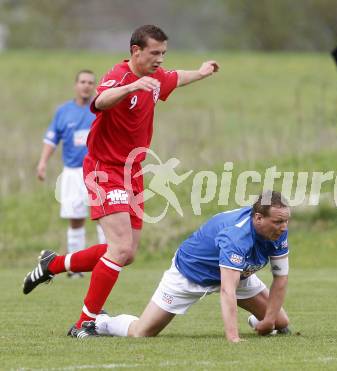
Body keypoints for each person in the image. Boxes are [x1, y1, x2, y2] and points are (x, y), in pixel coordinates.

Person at [23, 24, 219, 339]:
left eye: (163, 53)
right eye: (155, 53)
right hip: (105, 170)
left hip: (133, 172)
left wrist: (200, 72)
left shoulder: (155, 77)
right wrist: (131, 87)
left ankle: (53, 264)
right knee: (120, 247)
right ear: (135, 51)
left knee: (126, 253)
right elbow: (100, 101)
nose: (160, 60)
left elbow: (173, 79)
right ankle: (84, 322)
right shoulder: (119, 76)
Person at [95, 191, 291, 343]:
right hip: (191, 272)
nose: (284, 227)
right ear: (258, 218)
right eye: (278, 222)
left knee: (281, 322)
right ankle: (102, 322)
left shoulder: (278, 231)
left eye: (286, 221)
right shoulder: (236, 237)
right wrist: (233, 337)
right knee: (142, 332)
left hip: (237, 273)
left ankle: (259, 321)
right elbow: (227, 290)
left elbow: (280, 279)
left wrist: (268, 321)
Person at [36, 70, 106, 278]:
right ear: (76, 85)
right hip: (73, 173)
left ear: (94, 86)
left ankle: (106, 262)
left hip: (98, 171)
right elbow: (51, 139)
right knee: (76, 218)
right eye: (83, 82)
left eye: (90, 82)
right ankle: (75, 267)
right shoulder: (64, 111)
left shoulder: (100, 108)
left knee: (104, 217)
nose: (86, 85)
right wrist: (42, 163)